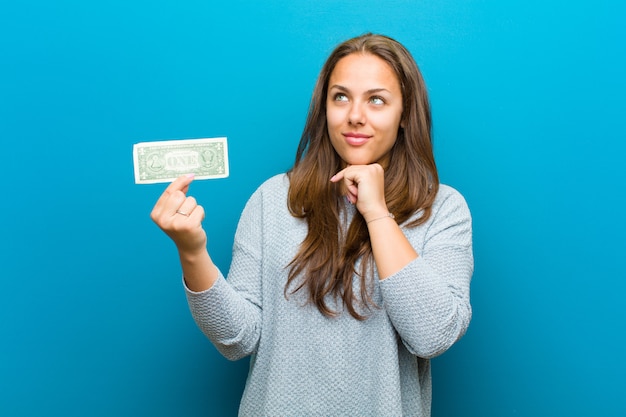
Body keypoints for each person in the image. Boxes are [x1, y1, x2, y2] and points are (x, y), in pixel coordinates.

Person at [151, 33, 473, 417]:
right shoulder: (274, 199)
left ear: (405, 115)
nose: (355, 115)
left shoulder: (443, 209)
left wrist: (376, 213)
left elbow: (432, 334)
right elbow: (236, 338)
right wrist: (191, 251)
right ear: (324, 108)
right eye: (341, 96)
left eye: (376, 99)